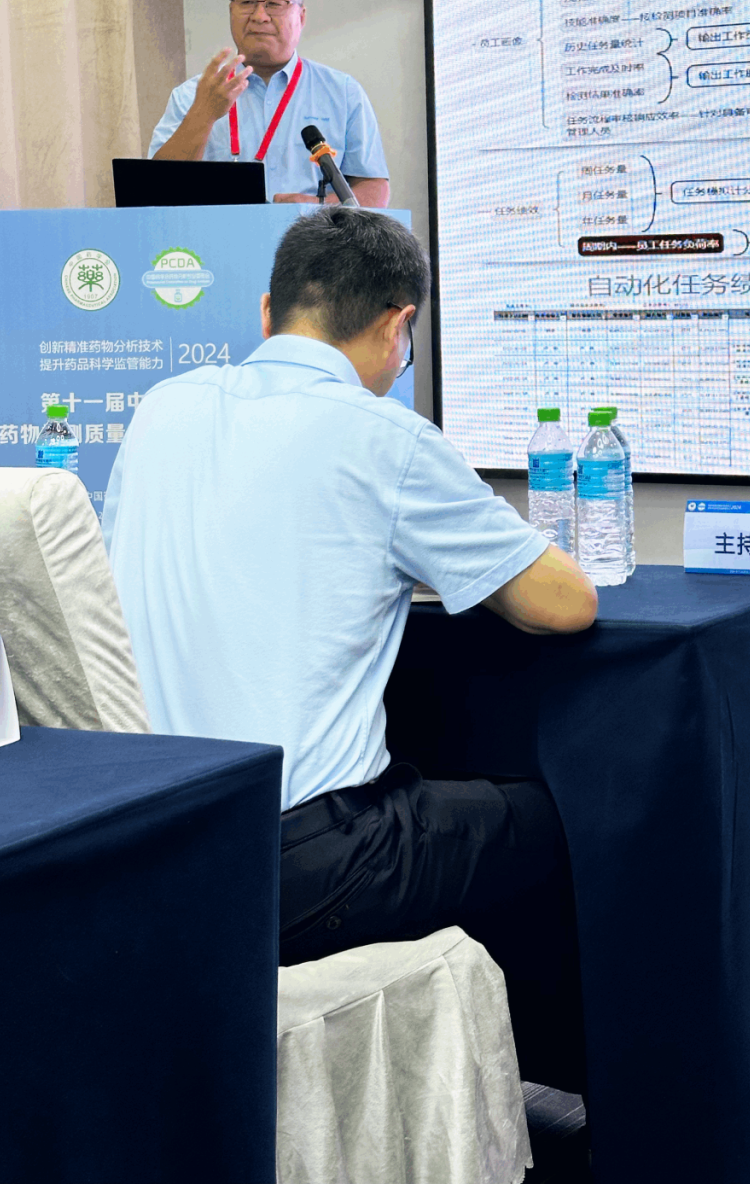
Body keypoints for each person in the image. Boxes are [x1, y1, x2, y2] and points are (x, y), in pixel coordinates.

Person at [102, 208, 596, 1083]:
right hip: (306, 862)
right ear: (400, 326)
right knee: (568, 817)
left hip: (153, 842)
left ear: (268, 312)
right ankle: (569, 1108)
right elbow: (564, 604)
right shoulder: (384, 437)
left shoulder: (161, 408)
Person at [150, 0, 391, 205]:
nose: (259, 16)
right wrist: (204, 114)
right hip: (215, 231)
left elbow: (374, 188)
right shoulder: (190, 95)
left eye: (274, 3)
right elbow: (155, 189)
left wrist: (318, 209)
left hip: (315, 231)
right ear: (231, 10)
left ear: (301, 16)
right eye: (247, 2)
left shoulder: (342, 92)